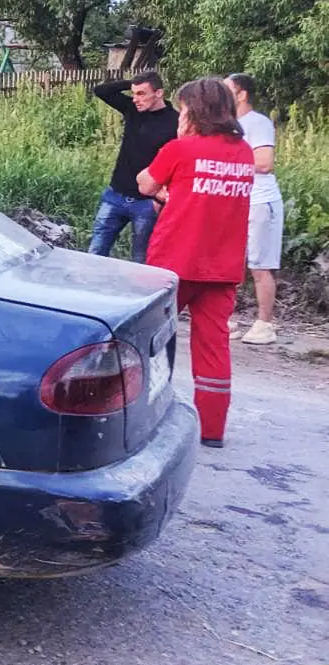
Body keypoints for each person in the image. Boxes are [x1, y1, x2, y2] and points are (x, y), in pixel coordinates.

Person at [136, 77, 255, 449]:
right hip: (222, 267)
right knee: (214, 347)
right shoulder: (244, 152)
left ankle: (142, 418)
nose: (180, 115)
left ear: (194, 112)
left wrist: (167, 190)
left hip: (174, 263)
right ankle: (212, 429)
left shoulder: (181, 149)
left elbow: (144, 184)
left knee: (151, 341)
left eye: (183, 109)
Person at [89, 71, 179, 263]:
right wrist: (132, 82)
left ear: (159, 93)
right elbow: (101, 91)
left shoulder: (175, 122)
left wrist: (161, 199)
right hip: (115, 195)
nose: (136, 99)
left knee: (141, 261)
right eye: (134, 93)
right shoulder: (132, 109)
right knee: (95, 253)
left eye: (142, 94)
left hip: (147, 202)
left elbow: (181, 163)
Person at [225, 73, 281, 345]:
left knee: (260, 263)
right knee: (230, 262)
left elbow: (265, 162)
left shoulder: (257, 123)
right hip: (236, 200)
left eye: (227, 90)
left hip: (260, 200)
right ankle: (227, 318)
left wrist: (230, 162)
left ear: (242, 94)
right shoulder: (228, 124)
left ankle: (265, 323)